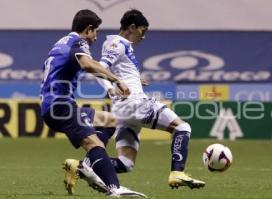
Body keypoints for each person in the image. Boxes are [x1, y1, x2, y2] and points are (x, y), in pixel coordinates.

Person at [67, 8, 205, 193]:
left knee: (126, 163)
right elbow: (100, 67)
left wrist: (133, 80)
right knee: (182, 127)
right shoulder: (118, 43)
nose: (144, 36)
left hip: (124, 111)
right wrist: (110, 88)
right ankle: (177, 172)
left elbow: (111, 69)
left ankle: (82, 166)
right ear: (132, 27)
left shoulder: (120, 46)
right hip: (135, 104)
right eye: (143, 30)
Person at [40, 9, 146, 198]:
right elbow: (88, 64)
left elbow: (86, 66)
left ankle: (88, 165)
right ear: (88, 29)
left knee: (110, 121)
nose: (96, 37)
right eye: (95, 31)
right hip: (60, 106)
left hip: (56, 105)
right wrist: (116, 80)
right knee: (94, 144)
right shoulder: (78, 41)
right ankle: (114, 188)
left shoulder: (60, 43)